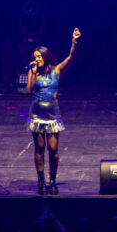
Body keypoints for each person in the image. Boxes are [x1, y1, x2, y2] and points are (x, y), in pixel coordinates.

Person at [26, 27, 81, 195]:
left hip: (52, 114)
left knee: (53, 149)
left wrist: (74, 41)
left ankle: (53, 180)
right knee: (39, 148)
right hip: (37, 113)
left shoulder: (56, 70)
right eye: (35, 57)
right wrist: (33, 72)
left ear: (45, 56)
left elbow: (71, 57)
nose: (37, 59)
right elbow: (29, 90)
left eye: (39, 56)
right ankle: (41, 181)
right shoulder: (33, 71)